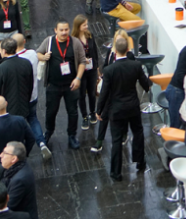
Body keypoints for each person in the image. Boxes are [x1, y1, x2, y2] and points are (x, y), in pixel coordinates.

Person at [96, 36, 150, 181]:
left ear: (114, 51)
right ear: (127, 50)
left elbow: (104, 93)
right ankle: (140, 162)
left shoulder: (109, 70)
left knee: (116, 140)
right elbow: (146, 84)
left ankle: (116, 173)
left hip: (116, 109)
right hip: (132, 107)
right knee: (138, 132)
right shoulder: (136, 65)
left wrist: (99, 111)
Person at [36, 20, 86, 150]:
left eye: (66, 29)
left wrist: (78, 78)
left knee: (73, 111)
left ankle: (72, 135)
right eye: (61, 30)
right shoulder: (49, 41)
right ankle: (49, 131)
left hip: (71, 85)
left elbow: (82, 61)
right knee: (51, 111)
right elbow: (38, 53)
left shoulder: (75, 42)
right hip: (53, 85)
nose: (64, 32)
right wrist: (43, 57)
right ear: (55, 30)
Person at [14, 35, 51, 159]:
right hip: (33, 95)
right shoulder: (32, 54)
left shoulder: (15, 59)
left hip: (20, 99)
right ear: (24, 41)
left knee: (19, 122)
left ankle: (19, 148)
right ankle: (42, 143)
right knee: (33, 119)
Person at [0, 142, 38, 219]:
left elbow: (5, 207)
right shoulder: (16, 169)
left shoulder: (19, 180)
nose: (0, 155)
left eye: (5, 153)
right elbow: (3, 184)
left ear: (14, 159)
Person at [0, 38, 32, 121]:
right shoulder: (26, 63)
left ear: (4, 51)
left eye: (0, 50)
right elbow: (30, 86)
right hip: (23, 109)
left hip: (6, 111)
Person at [70, 16, 100, 131]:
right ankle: (84, 116)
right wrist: (82, 60)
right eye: (84, 25)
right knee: (81, 94)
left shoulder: (90, 35)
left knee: (92, 93)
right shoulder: (73, 40)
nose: (87, 27)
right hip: (80, 71)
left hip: (92, 69)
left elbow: (95, 51)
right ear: (78, 26)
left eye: (87, 24)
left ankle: (92, 112)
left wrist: (97, 68)